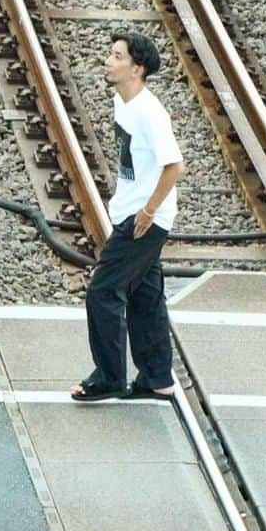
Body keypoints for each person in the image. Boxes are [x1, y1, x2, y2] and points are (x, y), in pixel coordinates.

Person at [70, 32, 184, 402]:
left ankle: (108, 377)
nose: (108, 60)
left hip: (144, 220)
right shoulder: (123, 102)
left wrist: (147, 211)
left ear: (137, 68)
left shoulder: (150, 113)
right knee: (146, 297)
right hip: (132, 213)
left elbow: (175, 166)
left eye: (117, 56)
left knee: (102, 292)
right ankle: (156, 377)